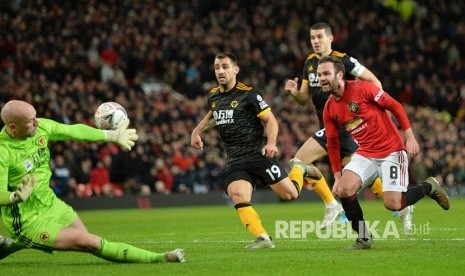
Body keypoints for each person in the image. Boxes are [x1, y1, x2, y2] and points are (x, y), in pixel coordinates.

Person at [0, 100, 185, 263]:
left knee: (87, 237)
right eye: (30, 121)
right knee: (89, 242)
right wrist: (16, 196)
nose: (37, 123)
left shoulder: (41, 128)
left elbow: (74, 131)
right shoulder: (3, 151)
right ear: (13, 127)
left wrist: (111, 136)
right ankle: (160, 258)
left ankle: (9, 246)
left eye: (35, 117)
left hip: (51, 204)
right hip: (28, 220)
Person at [284, 22, 414, 233]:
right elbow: (303, 99)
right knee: (361, 180)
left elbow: (373, 80)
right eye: (312, 38)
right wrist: (295, 93)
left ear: (330, 38)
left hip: (347, 124)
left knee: (299, 161)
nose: (316, 41)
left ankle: (331, 204)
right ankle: (401, 207)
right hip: (329, 123)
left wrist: (376, 110)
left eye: (319, 37)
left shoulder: (344, 60)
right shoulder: (309, 64)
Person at [318, 55, 450, 249]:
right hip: (365, 153)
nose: (321, 78)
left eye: (326, 73)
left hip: (391, 151)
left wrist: (410, 137)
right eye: (319, 74)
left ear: (340, 74)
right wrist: (337, 176)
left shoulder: (363, 89)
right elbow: (332, 143)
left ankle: (429, 187)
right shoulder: (329, 107)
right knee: (343, 190)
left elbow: (395, 106)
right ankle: (363, 238)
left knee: (393, 204)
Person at [191, 52, 313, 249]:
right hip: (235, 159)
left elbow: (270, 119)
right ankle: (263, 237)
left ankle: (299, 169)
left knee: (290, 195)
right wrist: (196, 131)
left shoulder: (248, 94)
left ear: (235, 70)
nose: (220, 71)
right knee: (238, 195)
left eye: (225, 67)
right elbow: (213, 113)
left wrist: (271, 143)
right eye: (217, 67)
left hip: (258, 154)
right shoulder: (213, 95)